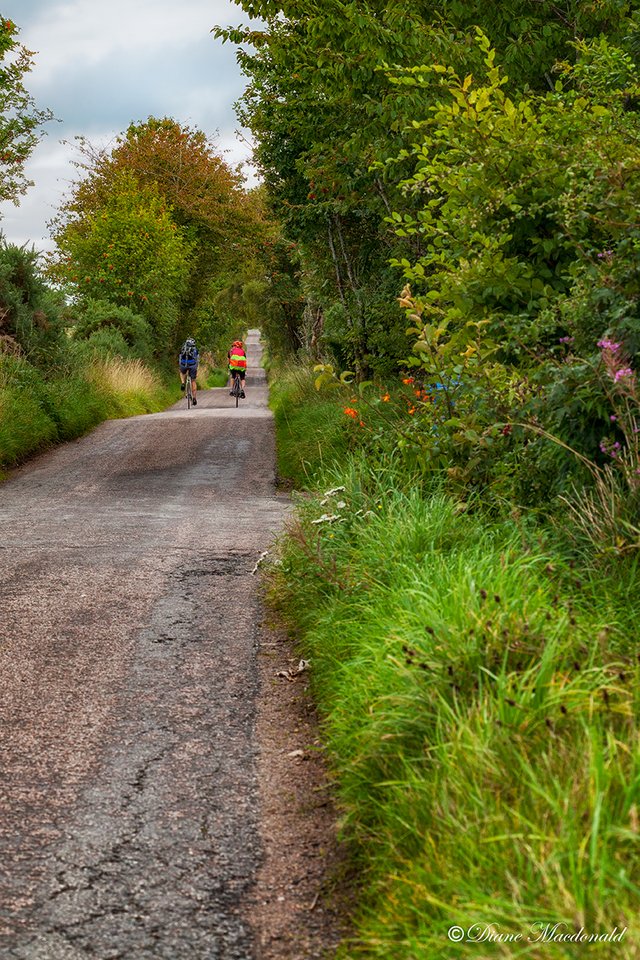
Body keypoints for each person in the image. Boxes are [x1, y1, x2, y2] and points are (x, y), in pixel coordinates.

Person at [178, 337, 199, 405]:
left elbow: (180, 357)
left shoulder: (183, 348)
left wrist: (181, 364)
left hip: (183, 364)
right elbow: (197, 359)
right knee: (193, 381)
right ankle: (194, 398)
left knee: (182, 372)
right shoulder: (195, 349)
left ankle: (183, 383)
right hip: (192, 365)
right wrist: (196, 367)